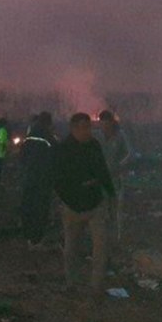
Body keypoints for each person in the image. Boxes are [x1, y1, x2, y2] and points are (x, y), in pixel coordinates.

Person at [54, 113, 115, 294]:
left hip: (95, 204)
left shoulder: (94, 145)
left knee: (101, 247)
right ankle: (71, 283)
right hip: (72, 207)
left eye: (89, 127)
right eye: (83, 128)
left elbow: (102, 170)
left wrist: (110, 193)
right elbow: (58, 180)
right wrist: (70, 197)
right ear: (73, 129)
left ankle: (95, 287)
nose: (88, 131)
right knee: (71, 248)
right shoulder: (63, 149)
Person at [20, 112, 56, 248]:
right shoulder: (49, 139)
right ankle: (37, 237)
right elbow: (55, 158)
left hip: (29, 178)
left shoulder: (29, 138)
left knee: (28, 205)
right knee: (41, 207)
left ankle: (28, 235)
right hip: (43, 180)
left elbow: (22, 157)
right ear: (48, 123)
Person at [97, 109, 133, 244]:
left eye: (107, 123)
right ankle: (103, 237)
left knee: (117, 208)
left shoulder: (120, 136)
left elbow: (130, 154)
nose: (104, 126)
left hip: (116, 179)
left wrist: (119, 165)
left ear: (112, 123)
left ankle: (117, 238)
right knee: (102, 209)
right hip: (101, 179)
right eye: (102, 123)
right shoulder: (98, 136)